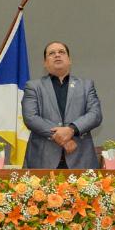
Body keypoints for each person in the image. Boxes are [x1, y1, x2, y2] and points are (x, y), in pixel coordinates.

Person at [21, 41, 102, 169]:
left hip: (80, 158)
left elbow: (95, 115)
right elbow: (30, 117)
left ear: (69, 60)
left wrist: (71, 129)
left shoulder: (86, 86)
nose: (57, 55)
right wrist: (62, 138)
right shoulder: (33, 86)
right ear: (45, 63)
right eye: (51, 53)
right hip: (43, 159)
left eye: (61, 52)